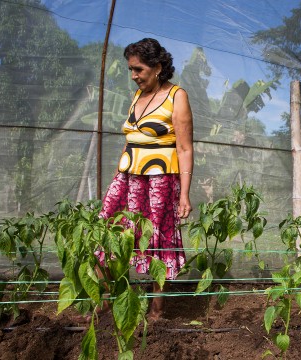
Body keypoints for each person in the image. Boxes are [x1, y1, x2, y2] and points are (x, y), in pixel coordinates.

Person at [97, 38, 193, 321]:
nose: (134, 76)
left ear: (158, 67)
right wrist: (120, 175)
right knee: (108, 230)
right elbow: (133, 137)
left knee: (157, 238)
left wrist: (184, 194)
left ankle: (157, 308)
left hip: (160, 181)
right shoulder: (137, 96)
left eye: (138, 69)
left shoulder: (177, 96)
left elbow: (185, 148)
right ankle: (104, 300)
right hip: (128, 176)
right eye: (131, 70)